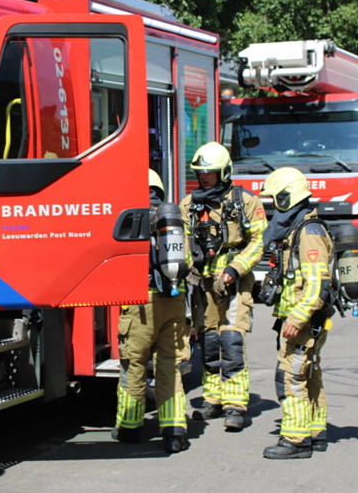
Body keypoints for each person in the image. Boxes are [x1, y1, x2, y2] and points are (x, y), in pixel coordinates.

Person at [180, 142, 266, 431]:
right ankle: (212, 399)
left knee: (231, 342)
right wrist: (188, 265)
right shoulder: (189, 205)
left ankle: (235, 405)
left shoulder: (246, 202)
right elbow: (182, 243)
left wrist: (234, 268)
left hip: (234, 284)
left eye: (210, 172)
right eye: (200, 172)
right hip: (203, 284)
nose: (204, 177)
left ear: (224, 172)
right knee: (208, 342)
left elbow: (259, 242)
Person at [112, 169, 191, 453]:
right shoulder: (176, 221)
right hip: (175, 300)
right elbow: (188, 262)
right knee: (169, 365)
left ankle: (130, 428)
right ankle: (175, 431)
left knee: (134, 365)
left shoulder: (134, 218)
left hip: (141, 304)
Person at [259, 167, 332, 459]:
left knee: (290, 376)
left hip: (302, 321)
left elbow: (316, 285)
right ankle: (316, 431)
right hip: (299, 319)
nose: (272, 207)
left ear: (287, 198)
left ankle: (295, 440)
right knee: (308, 373)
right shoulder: (299, 229)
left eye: (275, 200)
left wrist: (297, 317)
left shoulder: (309, 232)